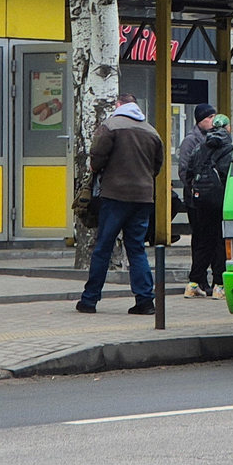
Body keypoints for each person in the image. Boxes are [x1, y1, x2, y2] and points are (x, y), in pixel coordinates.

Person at [77, 93, 164, 316]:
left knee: (103, 247)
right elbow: (157, 165)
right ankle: (145, 301)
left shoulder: (111, 125)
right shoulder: (151, 131)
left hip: (115, 196)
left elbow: (96, 158)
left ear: (118, 105)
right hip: (143, 197)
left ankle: (89, 300)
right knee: (136, 249)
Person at [183, 113, 233, 299]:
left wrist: (196, 192)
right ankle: (219, 286)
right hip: (221, 200)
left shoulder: (199, 147)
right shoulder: (230, 148)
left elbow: (189, 172)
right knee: (220, 242)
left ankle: (193, 284)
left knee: (203, 242)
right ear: (227, 128)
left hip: (200, 201)